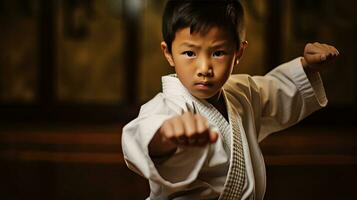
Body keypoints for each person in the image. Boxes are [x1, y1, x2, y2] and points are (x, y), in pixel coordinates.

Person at [121, 0, 339, 199]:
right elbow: (141, 135)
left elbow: (277, 90)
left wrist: (307, 67)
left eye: (218, 53)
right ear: (168, 52)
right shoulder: (169, 106)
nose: (204, 68)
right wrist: (165, 136)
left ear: (238, 52)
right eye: (190, 53)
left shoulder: (242, 92)